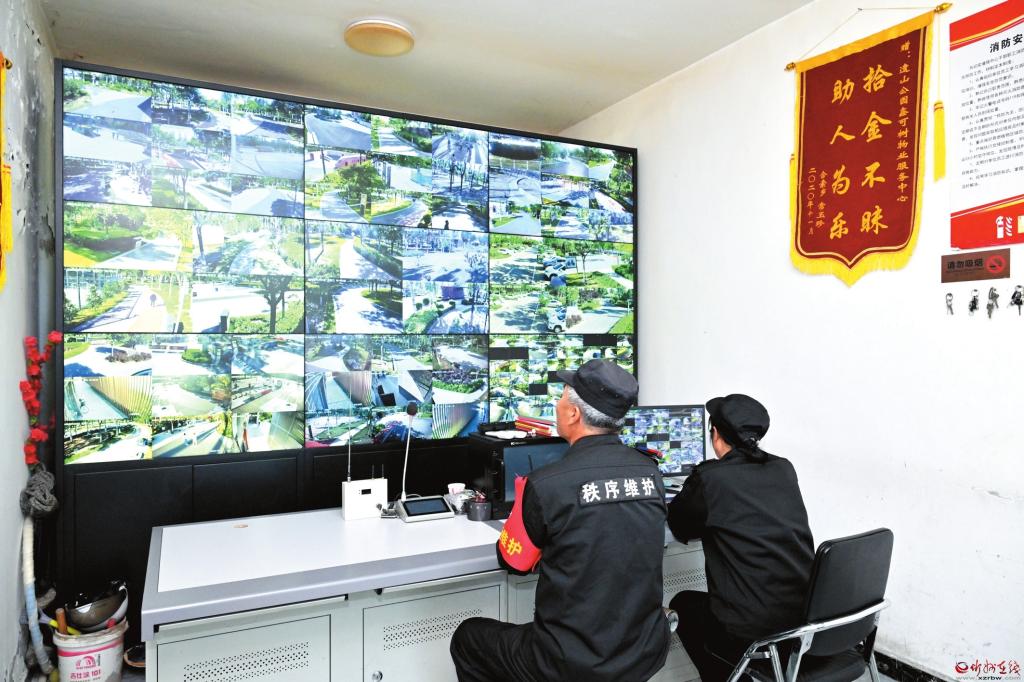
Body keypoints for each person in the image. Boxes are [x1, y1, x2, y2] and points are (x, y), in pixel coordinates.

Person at [451, 359, 670, 682]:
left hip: (569, 663)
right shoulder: (651, 473)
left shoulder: (547, 483)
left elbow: (513, 561)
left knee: (468, 637)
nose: (557, 404)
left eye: (562, 396)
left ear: (573, 414)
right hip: (642, 651)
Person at [667, 394, 814, 682]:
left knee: (684, 604)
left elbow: (680, 524)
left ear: (715, 434)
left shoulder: (711, 478)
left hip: (752, 629)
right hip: (804, 620)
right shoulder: (783, 468)